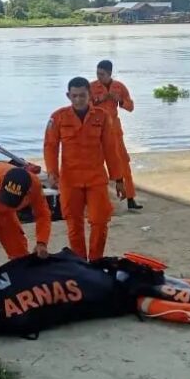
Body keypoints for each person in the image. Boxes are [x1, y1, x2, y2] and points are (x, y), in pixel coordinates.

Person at [43, 77, 126, 261]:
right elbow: (50, 146)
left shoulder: (102, 116)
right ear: (68, 95)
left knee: (100, 221)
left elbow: (111, 150)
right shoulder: (58, 117)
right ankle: (80, 262)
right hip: (70, 180)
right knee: (74, 224)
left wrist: (119, 179)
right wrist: (52, 172)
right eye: (74, 96)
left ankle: (95, 261)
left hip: (96, 178)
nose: (79, 100)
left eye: (82, 95)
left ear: (89, 95)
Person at [90, 59, 142, 210]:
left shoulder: (119, 87)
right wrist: (100, 100)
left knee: (123, 164)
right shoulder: (92, 87)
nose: (99, 77)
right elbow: (86, 106)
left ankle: (131, 199)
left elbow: (130, 106)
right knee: (96, 166)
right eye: (97, 73)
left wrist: (120, 100)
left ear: (109, 73)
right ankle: (98, 201)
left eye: (102, 74)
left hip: (115, 131)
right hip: (97, 130)